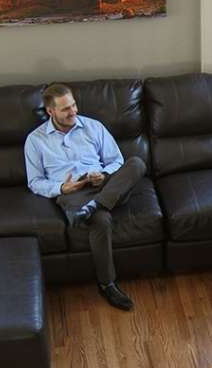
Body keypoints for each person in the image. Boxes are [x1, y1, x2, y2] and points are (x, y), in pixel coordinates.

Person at [24, 83, 147, 311]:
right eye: (66, 109)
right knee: (101, 220)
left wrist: (104, 175)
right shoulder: (35, 140)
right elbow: (35, 182)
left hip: (106, 184)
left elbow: (117, 161)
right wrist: (62, 187)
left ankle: (94, 206)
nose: (73, 112)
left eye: (73, 105)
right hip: (74, 194)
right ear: (51, 112)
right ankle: (107, 284)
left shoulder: (93, 127)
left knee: (137, 163)